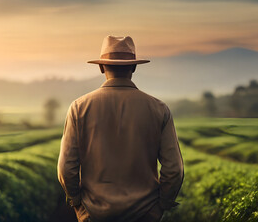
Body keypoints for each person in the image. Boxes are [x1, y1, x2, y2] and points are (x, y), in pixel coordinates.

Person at [58, 35, 184, 222]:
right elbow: (174, 170)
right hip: (145, 214)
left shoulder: (79, 108)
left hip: (94, 214)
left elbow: (66, 169)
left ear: (101, 67)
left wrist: (78, 205)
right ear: (134, 67)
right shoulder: (159, 109)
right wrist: (160, 207)